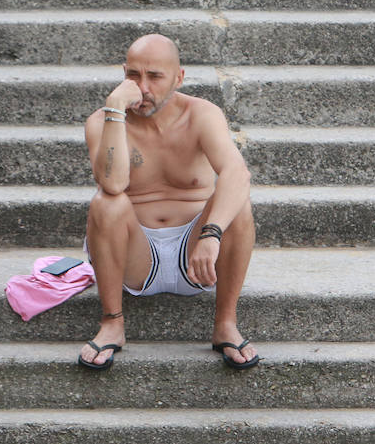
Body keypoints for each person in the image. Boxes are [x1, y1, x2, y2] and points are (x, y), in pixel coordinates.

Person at [78, 34, 260, 371]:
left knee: (238, 204)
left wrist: (211, 234)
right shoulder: (101, 122)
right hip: (135, 256)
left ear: (179, 78)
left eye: (155, 76)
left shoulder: (201, 114)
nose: (143, 87)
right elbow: (114, 183)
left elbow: (238, 173)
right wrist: (115, 110)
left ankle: (225, 324)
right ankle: (112, 322)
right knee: (107, 202)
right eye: (133, 75)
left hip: (196, 252)